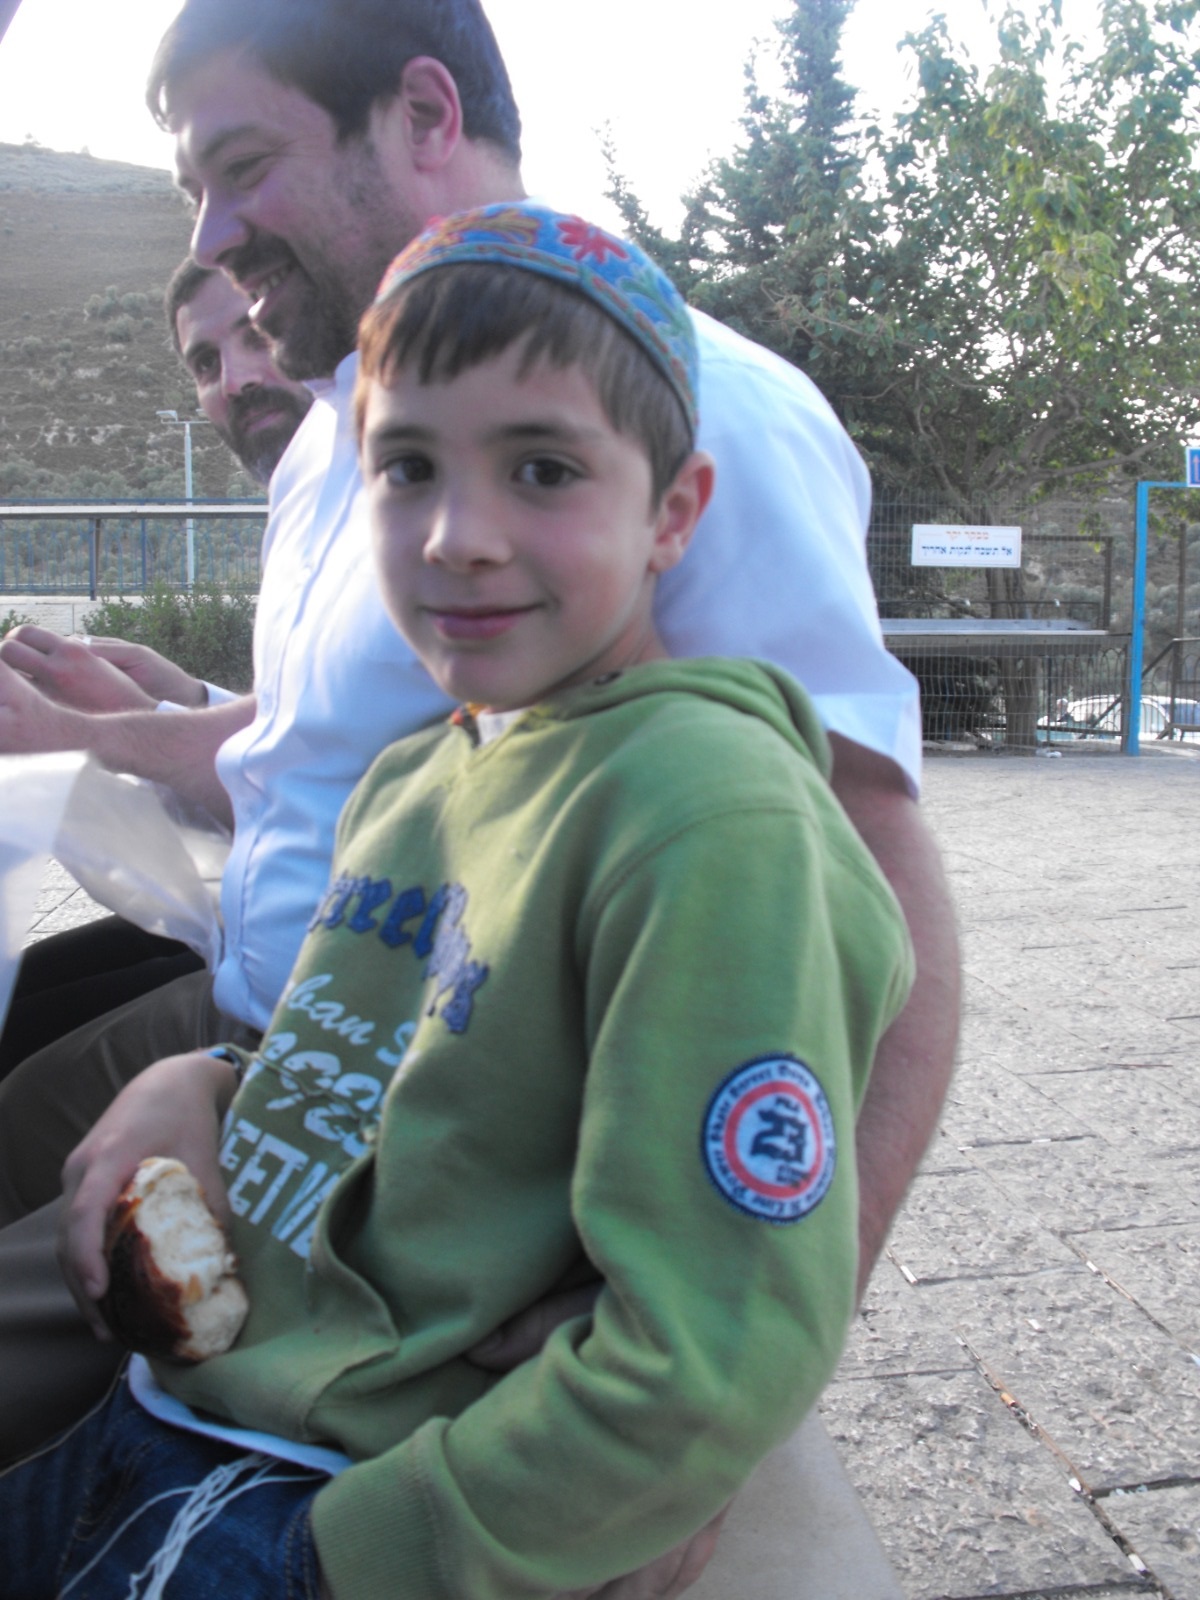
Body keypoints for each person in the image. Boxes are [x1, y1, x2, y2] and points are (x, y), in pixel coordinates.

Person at [0, 0, 958, 1500]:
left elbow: (867, 873)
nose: (211, 233)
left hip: (397, 1181)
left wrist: (728, 1379)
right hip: (266, 1049)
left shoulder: (695, 407)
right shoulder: (339, 426)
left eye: (242, 166)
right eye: (191, 186)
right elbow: (315, 746)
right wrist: (211, 1054)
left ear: (427, 115)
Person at [0, 265, 313, 1082]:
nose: (235, 379)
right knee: (32, 1003)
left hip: (315, 984)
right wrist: (179, 698)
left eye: (257, 336)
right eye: (206, 363)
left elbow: (321, 778)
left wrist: (83, 734)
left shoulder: (378, 503)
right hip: (258, 930)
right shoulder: (307, 496)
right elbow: (307, 724)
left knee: (24, 1088)